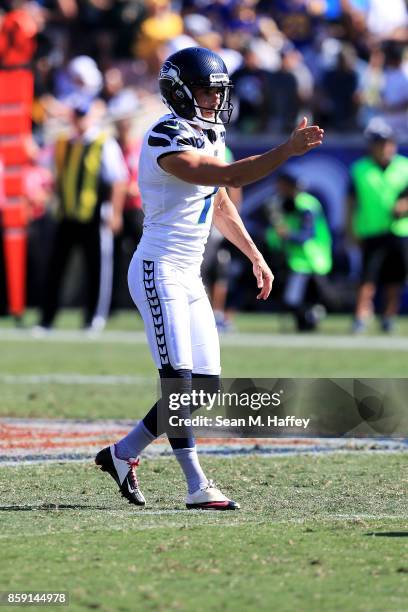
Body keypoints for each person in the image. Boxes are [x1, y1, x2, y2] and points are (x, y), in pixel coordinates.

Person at [95, 46, 324, 510]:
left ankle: (122, 454)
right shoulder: (164, 135)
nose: (213, 100)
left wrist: (256, 256)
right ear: (178, 93)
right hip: (158, 270)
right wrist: (285, 150)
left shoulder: (210, 132)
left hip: (189, 276)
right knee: (178, 382)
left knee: (205, 386)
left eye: (217, 91)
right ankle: (196, 484)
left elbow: (218, 200)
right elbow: (224, 173)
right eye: (204, 90)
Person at [36, 99, 127, 332]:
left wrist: (115, 213)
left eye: (83, 115)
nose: (79, 120)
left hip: (94, 215)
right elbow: (53, 175)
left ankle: (93, 318)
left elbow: (118, 180)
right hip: (66, 214)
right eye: (77, 115)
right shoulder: (63, 143)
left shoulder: (102, 142)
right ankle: (47, 318)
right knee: (55, 267)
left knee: (96, 267)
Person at [347, 118, 408, 333]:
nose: (384, 148)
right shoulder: (360, 169)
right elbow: (351, 202)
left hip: (399, 230)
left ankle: (389, 317)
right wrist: (350, 230)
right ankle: (361, 316)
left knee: (395, 278)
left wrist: (404, 204)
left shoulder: (404, 166)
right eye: (380, 143)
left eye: (388, 143)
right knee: (367, 278)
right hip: (371, 230)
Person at [265, 171, 332, 331]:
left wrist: (286, 234)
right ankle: (309, 318)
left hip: (310, 259)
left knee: (296, 299)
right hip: (296, 259)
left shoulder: (305, 205)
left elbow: (306, 235)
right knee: (295, 299)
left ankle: (311, 317)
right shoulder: (282, 203)